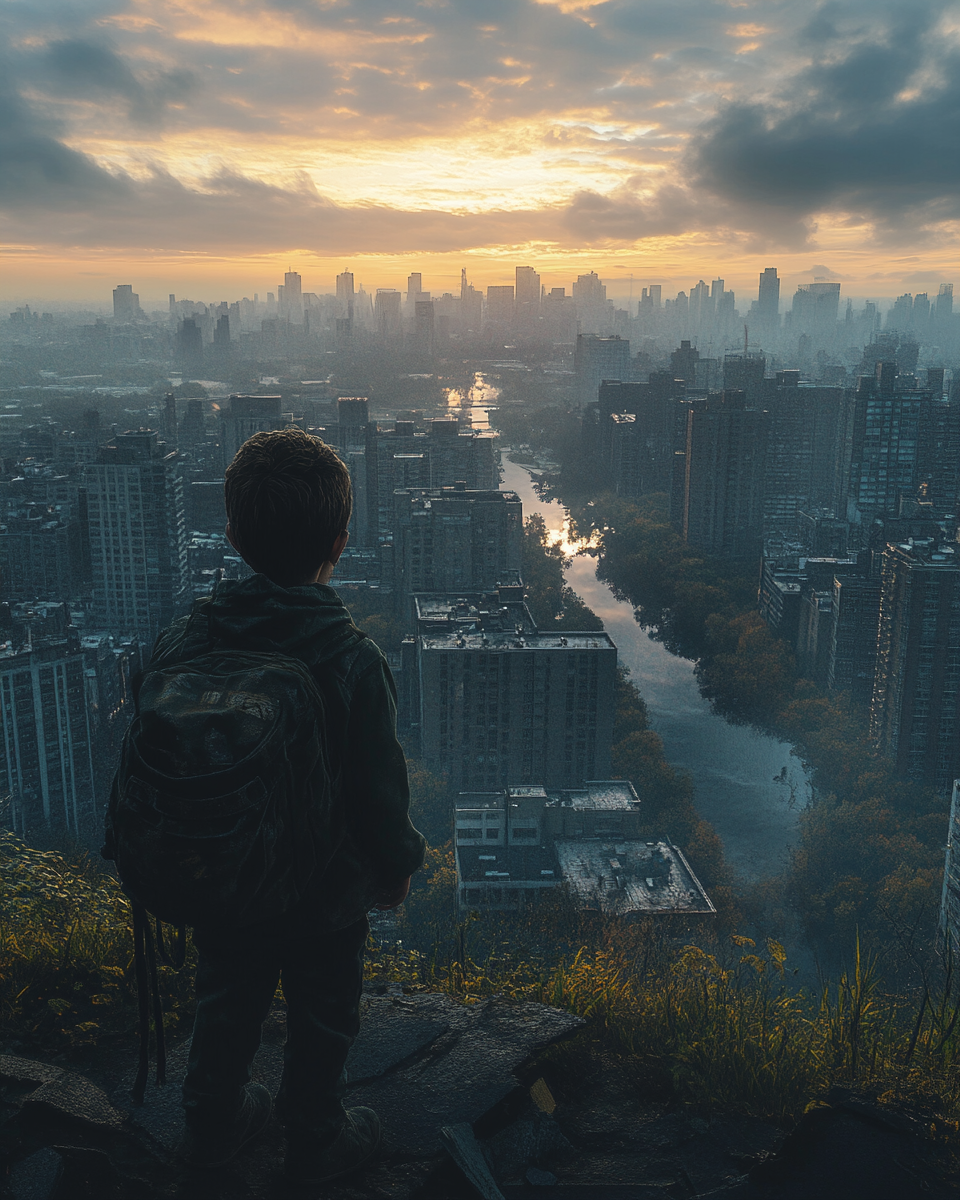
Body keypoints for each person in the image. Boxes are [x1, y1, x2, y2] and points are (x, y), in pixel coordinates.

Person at [163, 427, 425, 1186]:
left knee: (226, 997)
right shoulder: (351, 660)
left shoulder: (188, 640)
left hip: (222, 872)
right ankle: (315, 1134)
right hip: (323, 891)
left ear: (234, 535)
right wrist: (397, 863)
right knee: (323, 1013)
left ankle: (210, 1123)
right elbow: (379, 787)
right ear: (340, 543)